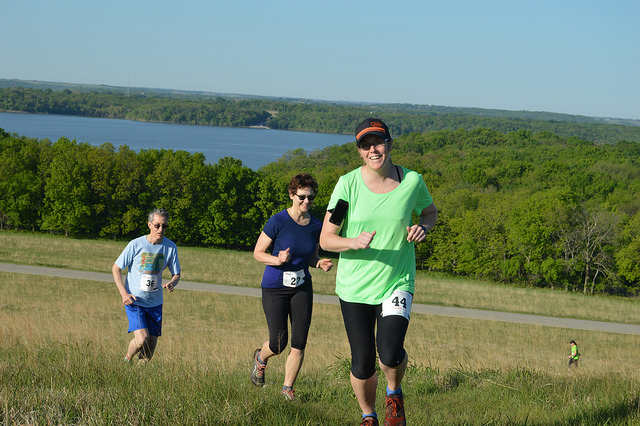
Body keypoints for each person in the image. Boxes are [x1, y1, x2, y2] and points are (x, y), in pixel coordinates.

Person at [319, 118, 438, 426]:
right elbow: (326, 239)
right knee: (361, 363)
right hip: (354, 286)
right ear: (359, 151)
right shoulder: (347, 185)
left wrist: (423, 227)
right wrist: (352, 242)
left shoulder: (412, 181)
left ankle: (394, 393)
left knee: (389, 353)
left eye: (378, 142)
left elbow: (429, 211)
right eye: (365, 144)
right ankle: (368, 415)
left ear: (390, 144)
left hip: (397, 281)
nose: (373, 149)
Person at [251, 173, 333, 401]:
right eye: (302, 197)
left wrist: (319, 263)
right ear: (291, 194)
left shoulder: (316, 225)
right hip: (274, 286)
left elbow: (310, 256)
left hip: (302, 287)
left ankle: (287, 389)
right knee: (279, 343)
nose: (307, 202)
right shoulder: (278, 221)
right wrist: (277, 260)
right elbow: (258, 253)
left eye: (311, 198)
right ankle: (261, 358)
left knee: (299, 342)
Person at [112, 208, 181, 363]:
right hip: (135, 300)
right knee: (142, 338)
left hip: (155, 302)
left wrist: (172, 282)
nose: (161, 229)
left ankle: (139, 375)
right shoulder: (136, 244)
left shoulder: (170, 247)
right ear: (149, 225)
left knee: (151, 343)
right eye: (157, 225)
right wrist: (124, 294)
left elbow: (176, 274)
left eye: (164, 226)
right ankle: (126, 360)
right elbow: (116, 268)